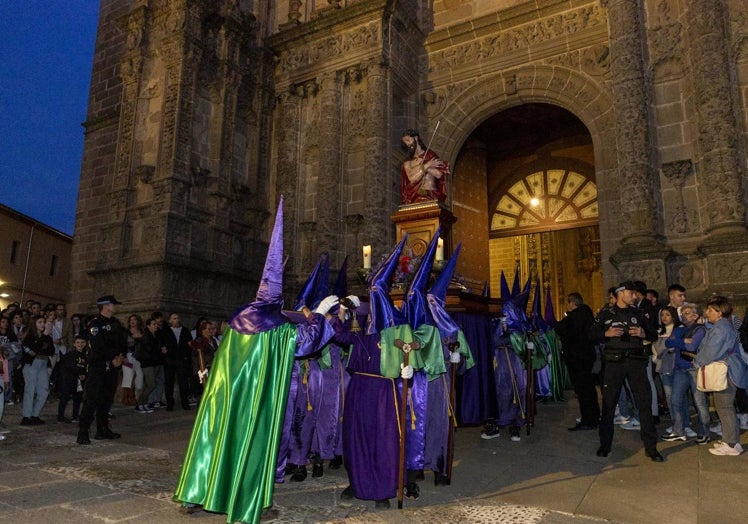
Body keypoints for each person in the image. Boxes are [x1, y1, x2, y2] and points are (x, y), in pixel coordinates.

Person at [173, 197, 336, 523]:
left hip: (224, 395)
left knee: (215, 439)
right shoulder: (275, 325)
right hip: (254, 400)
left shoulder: (237, 319)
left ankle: (195, 494)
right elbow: (305, 344)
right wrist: (318, 315)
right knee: (252, 446)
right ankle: (247, 505)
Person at [589, 281, 661, 461]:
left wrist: (644, 334)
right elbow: (590, 335)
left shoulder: (638, 313)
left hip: (636, 361)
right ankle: (605, 445)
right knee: (608, 404)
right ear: (621, 293)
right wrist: (607, 334)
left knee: (644, 403)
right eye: (631, 293)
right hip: (614, 363)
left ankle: (651, 447)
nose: (634, 296)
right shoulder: (606, 313)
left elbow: (654, 335)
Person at [693, 297, 747, 456]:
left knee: (724, 407)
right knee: (726, 407)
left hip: (726, 371)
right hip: (730, 370)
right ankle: (732, 442)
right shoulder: (722, 325)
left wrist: (697, 362)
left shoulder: (720, 328)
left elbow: (712, 350)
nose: (707, 312)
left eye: (710, 310)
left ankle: (730, 444)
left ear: (719, 312)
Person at [77, 295, 127, 444]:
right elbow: (98, 345)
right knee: (91, 399)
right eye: (113, 304)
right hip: (98, 366)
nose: (115, 307)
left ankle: (103, 429)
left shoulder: (116, 323)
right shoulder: (95, 324)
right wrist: (112, 357)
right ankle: (83, 432)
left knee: (106, 399)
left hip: (113, 366)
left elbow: (122, 341)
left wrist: (121, 357)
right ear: (105, 306)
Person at [661, 303, 709, 443]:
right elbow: (668, 344)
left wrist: (678, 342)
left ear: (695, 315)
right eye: (682, 313)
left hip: (694, 369)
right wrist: (683, 341)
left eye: (687, 313)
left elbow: (692, 346)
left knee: (699, 402)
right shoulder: (679, 330)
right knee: (675, 400)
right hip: (680, 369)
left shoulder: (700, 330)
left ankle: (704, 432)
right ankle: (678, 431)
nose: (683, 315)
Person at [556, 292, 599, 430]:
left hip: (578, 359)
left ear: (572, 303)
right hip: (586, 357)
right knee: (589, 389)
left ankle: (587, 420)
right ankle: (594, 417)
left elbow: (560, 328)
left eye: (568, 304)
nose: (567, 307)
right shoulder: (587, 314)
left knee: (583, 390)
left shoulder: (575, 316)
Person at [400, 129, 449, 204]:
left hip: (431, 194)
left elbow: (439, 174)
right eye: (405, 142)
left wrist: (423, 166)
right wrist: (427, 165)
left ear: (415, 138)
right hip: (415, 196)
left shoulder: (429, 155)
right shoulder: (407, 162)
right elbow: (412, 179)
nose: (408, 144)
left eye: (408, 140)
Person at [160, 313, 193, 411]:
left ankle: (185, 402)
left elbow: (189, 344)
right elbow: (162, 343)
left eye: (178, 318)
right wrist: (164, 351)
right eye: (174, 318)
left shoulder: (185, 331)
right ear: (170, 321)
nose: (177, 320)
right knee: (169, 381)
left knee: (183, 382)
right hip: (170, 359)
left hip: (181, 359)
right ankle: (170, 403)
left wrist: (186, 355)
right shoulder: (165, 331)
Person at [57, 335, 88, 423]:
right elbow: (70, 366)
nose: (80, 344)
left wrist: (84, 374)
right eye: (78, 342)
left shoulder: (86, 355)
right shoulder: (70, 354)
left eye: (82, 343)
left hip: (79, 381)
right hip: (69, 380)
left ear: (85, 344)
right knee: (65, 397)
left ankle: (75, 415)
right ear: (74, 344)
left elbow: (87, 367)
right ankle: (60, 416)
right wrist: (79, 374)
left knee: (77, 398)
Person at [136, 317, 164, 413]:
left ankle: (144, 403)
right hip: (147, 363)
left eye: (156, 324)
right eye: (153, 324)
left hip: (154, 362)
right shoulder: (146, 336)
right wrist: (160, 350)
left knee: (149, 384)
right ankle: (140, 403)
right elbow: (149, 349)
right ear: (148, 326)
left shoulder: (156, 335)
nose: (156, 326)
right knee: (150, 384)